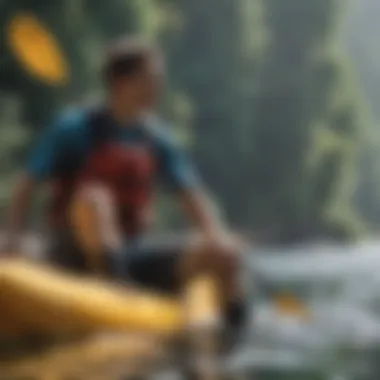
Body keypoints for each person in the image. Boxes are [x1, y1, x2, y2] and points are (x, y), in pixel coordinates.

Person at [3, 37, 247, 359]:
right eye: (149, 78)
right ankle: (118, 293)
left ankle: (234, 343)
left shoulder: (156, 137)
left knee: (227, 253)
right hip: (70, 250)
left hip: (133, 251)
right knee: (94, 199)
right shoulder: (74, 128)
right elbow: (27, 184)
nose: (157, 86)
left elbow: (191, 197)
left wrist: (216, 243)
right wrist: (14, 240)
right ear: (120, 82)